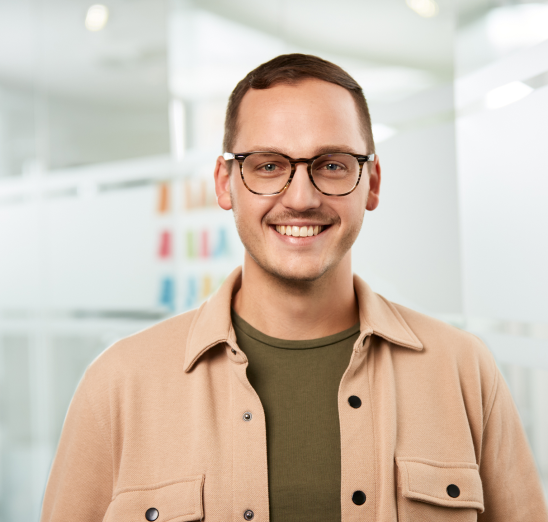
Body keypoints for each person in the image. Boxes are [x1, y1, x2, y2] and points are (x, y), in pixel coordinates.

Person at [41, 54, 548, 522]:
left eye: (331, 164)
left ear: (370, 183)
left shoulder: (463, 370)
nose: (301, 198)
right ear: (224, 182)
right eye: (268, 166)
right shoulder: (119, 384)